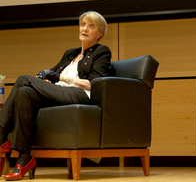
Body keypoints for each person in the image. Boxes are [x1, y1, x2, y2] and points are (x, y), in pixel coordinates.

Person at [0, 11, 113, 180]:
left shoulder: (102, 52)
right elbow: (52, 76)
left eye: (91, 26)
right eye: (83, 24)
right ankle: (24, 159)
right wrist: (46, 81)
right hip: (60, 94)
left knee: (23, 79)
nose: (85, 29)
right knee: (24, 92)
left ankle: (1, 136)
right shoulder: (70, 53)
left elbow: (94, 84)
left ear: (100, 34)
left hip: (81, 94)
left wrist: (60, 77)